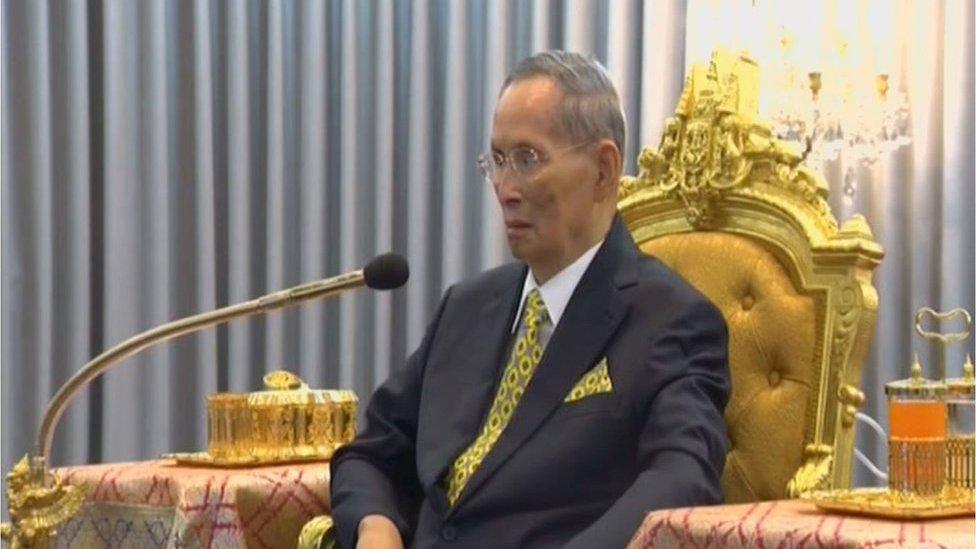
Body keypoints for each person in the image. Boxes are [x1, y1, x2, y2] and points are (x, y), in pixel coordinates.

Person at [330, 50, 730, 549]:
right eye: (497, 161)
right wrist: (375, 526)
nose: (504, 188)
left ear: (604, 170)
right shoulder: (468, 306)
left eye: (527, 159)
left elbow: (682, 480)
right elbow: (371, 453)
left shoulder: (670, 319)